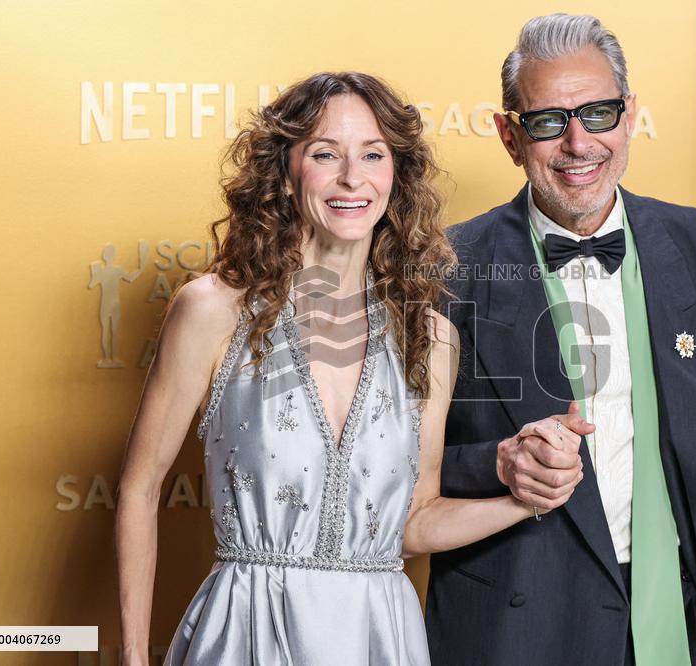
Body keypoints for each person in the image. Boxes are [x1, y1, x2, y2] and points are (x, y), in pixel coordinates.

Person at [114, 71, 582, 666]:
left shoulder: (430, 336)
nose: (352, 178)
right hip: (247, 632)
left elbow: (413, 524)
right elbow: (138, 488)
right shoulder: (213, 309)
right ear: (285, 174)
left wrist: (528, 496)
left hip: (379, 638)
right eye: (325, 153)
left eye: (373, 154)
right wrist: (132, 658)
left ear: (396, 176)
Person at [426, 14, 696, 666]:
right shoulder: (444, 267)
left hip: (685, 625)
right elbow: (395, 481)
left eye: (600, 113)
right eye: (550, 122)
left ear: (631, 113)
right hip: (516, 632)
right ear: (509, 135)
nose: (579, 143)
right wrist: (501, 464)